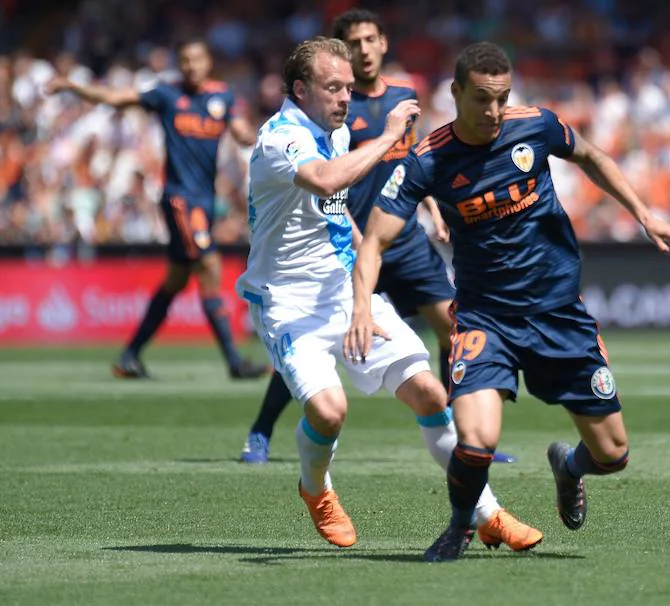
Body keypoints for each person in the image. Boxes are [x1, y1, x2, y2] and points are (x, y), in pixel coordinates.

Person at [345, 42, 670, 562]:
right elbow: (372, 239)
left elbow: (592, 156)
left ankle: (569, 468)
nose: (494, 112)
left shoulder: (537, 126)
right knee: (476, 442)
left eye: (502, 98)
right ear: (456, 93)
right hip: (487, 318)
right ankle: (461, 525)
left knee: (613, 455)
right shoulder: (428, 160)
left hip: (559, 313)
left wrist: (645, 214)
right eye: (481, 99)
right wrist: (362, 305)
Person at [237, 36, 540, 550]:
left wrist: (361, 282)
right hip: (288, 302)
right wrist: (388, 135)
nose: (343, 98)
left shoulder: (326, 130)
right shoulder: (281, 138)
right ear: (299, 89)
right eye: (333, 88)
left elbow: (335, 216)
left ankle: (487, 513)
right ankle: (316, 489)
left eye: (348, 89)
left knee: (429, 392)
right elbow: (326, 180)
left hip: (341, 288)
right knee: (330, 411)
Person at [45, 39, 269, 380]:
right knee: (209, 264)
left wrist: (259, 135)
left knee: (175, 282)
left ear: (208, 63)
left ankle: (129, 357)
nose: (190, 65)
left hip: (206, 201)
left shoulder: (222, 97)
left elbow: (241, 133)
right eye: (185, 60)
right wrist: (75, 87)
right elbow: (116, 98)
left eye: (196, 59)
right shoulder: (166, 95)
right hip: (180, 199)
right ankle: (235, 362)